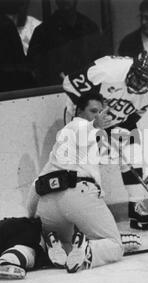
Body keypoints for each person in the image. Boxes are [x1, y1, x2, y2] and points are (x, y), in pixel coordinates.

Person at [26, 92, 125, 273]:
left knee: (68, 245)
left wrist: (32, 218)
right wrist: (95, 124)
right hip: (78, 194)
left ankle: (54, 244)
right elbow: (84, 129)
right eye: (93, 111)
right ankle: (88, 249)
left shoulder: (61, 147)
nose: (98, 115)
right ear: (78, 111)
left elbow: (35, 185)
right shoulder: (77, 126)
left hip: (47, 202)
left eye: (101, 112)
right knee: (115, 245)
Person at [62, 51, 148, 231]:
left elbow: (134, 116)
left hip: (115, 120)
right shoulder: (108, 72)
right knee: (83, 162)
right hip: (84, 117)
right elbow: (69, 83)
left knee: (133, 152)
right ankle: (76, 211)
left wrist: (115, 130)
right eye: (136, 78)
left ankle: (136, 205)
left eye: (144, 82)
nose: (137, 85)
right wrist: (92, 117)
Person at [26, 0, 104, 86]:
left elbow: (101, 62)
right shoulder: (42, 32)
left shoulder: (90, 28)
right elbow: (34, 69)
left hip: (90, 89)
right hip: (55, 92)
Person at [0, 0, 35, 92]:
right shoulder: (7, 29)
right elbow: (15, 66)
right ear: (20, 7)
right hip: (12, 90)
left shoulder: (1, 30)